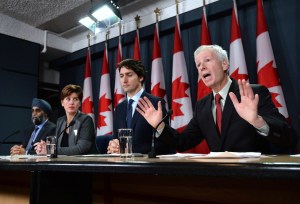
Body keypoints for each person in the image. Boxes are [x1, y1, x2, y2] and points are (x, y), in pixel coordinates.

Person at [136, 45, 296, 154]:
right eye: (198, 65)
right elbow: (183, 142)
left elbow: (289, 137)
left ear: (225, 64)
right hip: (219, 182)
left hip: (254, 182)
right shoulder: (203, 105)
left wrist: (258, 121)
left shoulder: (251, 94)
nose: (201, 67)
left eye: (207, 60)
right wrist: (160, 125)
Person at [107, 59, 175, 155]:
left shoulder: (155, 103)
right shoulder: (119, 108)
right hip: (123, 166)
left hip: (149, 166)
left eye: (129, 75)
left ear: (141, 77)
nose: (124, 80)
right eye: (121, 76)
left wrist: (130, 150)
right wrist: (114, 145)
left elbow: (164, 143)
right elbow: (116, 138)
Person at [35, 84, 96, 155]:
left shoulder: (86, 120)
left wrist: (51, 150)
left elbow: (82, 148)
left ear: (79, 103)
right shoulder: (60, 121)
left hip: (84, 163)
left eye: (75, 99)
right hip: (64, 162)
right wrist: (43, 147)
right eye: (68, 99)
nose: (71, 102)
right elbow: (55, 146)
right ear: (62, 103)